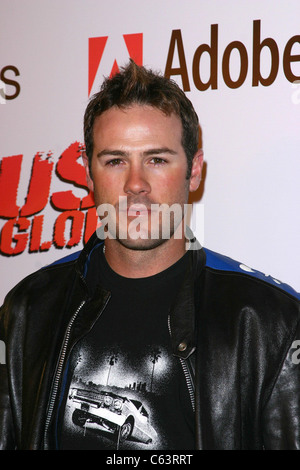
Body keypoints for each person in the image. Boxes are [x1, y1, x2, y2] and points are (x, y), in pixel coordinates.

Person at [0, 61, 300, 451]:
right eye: (115, 161)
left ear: (194, 172)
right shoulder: (27, 309)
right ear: (89, 176)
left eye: (157, 159)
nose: (135, 184)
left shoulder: (269, 321)